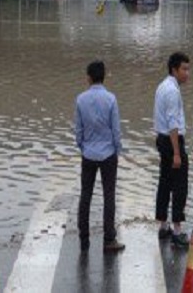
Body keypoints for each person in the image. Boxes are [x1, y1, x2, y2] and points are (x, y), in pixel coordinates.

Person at [75, 60, 125, 253]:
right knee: (109, 195)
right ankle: (109, 239)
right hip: (108, 154)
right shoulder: (111, 99)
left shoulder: (80, 99)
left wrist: (83, 147)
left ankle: (84, 238)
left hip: (88, 153)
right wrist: (117, 150)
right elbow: (116, 130)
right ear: (104, 76)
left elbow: (78, 130)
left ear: (88, 77)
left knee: (85, 195)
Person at [154, 52, 191, 248]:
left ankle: (163, 225)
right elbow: (172, 124)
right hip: (172, 141)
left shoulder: (163, 86)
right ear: (174, 70)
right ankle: (177, 231)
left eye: (188, 68)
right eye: (184, 69)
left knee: (165, 181)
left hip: (163, 139)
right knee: (179, 185)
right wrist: (177, 153)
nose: (187, 73)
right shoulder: (172, 91)